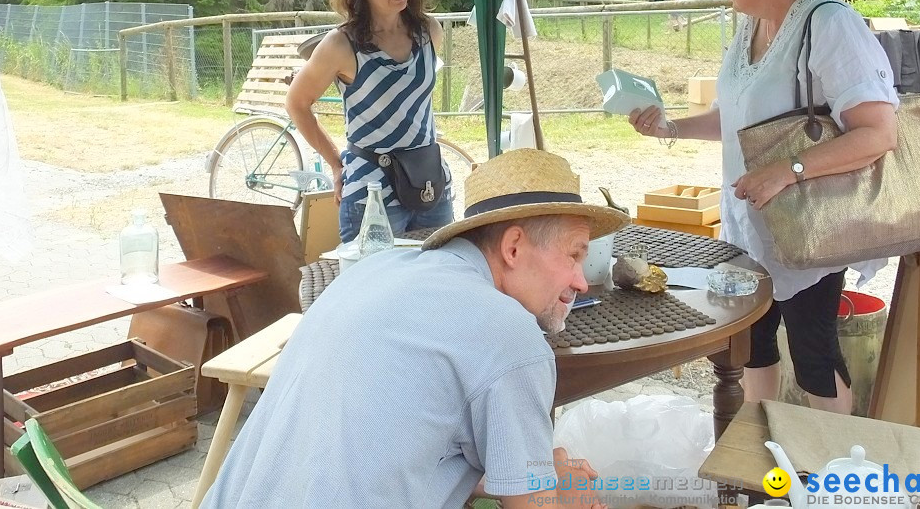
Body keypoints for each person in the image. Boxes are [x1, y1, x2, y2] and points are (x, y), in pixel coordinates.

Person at [201, 149, 626, 508]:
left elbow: (385, 439)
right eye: (574, 256)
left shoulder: (372, 270)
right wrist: (560, 491)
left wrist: (515, 471)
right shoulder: (510, 333)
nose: (580, 281)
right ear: (513, 247)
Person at [628, 0, 898, 415]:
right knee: (750, 345)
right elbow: (737, 122)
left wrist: (789, 170)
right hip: (751, 223)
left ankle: (829, 474)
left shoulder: (830, 24)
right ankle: (760, 460)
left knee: (813, 352)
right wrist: (670, 129)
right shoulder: (750, 26)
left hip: (810, 226)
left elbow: (878, 132)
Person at [286, 0, 454, 243]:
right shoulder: (341, 44)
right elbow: (296, 103)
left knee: (439, 283)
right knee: (377, 288)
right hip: (371, 196)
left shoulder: (429, 32)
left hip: (431, 186)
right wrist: (337, 165)